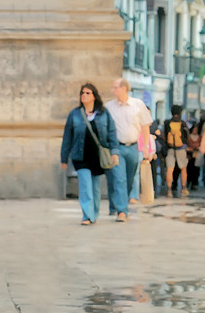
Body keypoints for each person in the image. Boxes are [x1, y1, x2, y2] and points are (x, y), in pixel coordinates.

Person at [60, 83, 120, 224]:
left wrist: (114, 152)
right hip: (81, 156)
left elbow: (112, 133)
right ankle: (87, 215)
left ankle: (94, 213)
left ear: (94, 96)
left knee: (95, 188)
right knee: (85, 186)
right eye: (82, 93)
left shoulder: (104, 114)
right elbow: (67, 137)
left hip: (98, 157)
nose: (84, 95)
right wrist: (64, 158)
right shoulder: (74, 114)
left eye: (87, 93)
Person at [104, 78, 153, 222]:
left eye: (115, 87)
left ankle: (117, 204)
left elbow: (145, 126)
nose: (113, 90)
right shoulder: (109, 107)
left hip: (133, 147)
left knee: (129, 179)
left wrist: (146, 147)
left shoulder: (138, 105)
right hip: (117, 147)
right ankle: (122, 211)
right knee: (119, 179)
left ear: (124, 88)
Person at [163, 105, 190, 198]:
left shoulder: (167, 123)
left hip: (170, 149)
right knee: (183, 169)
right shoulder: (182, 123)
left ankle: (169, 190)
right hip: (181, 148)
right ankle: (183, 188)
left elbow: (164, 136)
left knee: (170, 169)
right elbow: (187, 136)